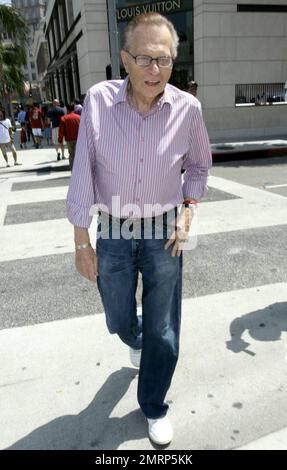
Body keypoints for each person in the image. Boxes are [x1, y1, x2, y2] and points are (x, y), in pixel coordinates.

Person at [67, 13, 212, 446]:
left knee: (165, 328)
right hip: (112, 230)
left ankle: (154, 404)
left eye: (164, 60)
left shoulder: (189, 109)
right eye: (144, 59)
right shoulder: (97, 101)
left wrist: (189, 210)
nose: (155, 70)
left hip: (165, 229)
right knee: (117, 318)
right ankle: (136, 335)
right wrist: (81, 241)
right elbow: (83, 172)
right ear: (124, 59)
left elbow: (200, 166)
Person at [58, 103, 80, 170]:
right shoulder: (79, 117)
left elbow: (61, 130)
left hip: (69, 139)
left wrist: (60, 140)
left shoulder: (64, 118)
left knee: (71, 155)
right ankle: (80, 170)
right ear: (73, 108)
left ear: (67, 109)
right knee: (78, 155)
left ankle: (73, 169)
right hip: (79, 139)